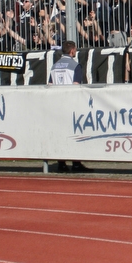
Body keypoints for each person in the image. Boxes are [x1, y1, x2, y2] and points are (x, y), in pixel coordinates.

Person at [48, 40, 89, 173]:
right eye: (75, 49)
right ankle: (76, 163)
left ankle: (61, 163)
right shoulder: (75, 65)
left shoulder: (54, 66)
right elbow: (76, 85)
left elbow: (49, 85)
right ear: (72, 51)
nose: (75, 51)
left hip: (56, 104)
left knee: (60, 134)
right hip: (70, 103)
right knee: (74, 134)